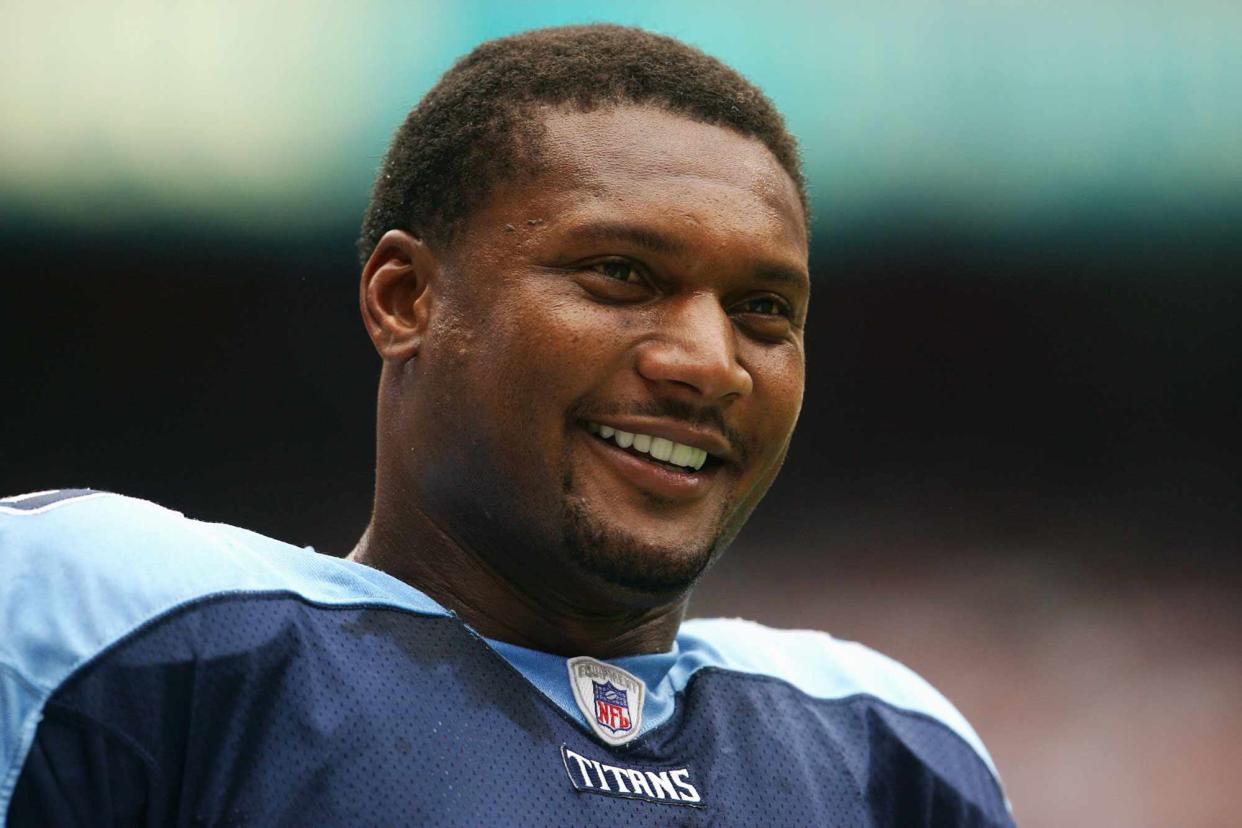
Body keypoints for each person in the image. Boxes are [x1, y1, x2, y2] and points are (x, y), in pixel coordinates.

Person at [0, 24, 1013, 827]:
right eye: (621, 275)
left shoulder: (886, 754)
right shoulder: (126, 643)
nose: (709, 363)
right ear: (405, 299)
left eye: (764, 311)